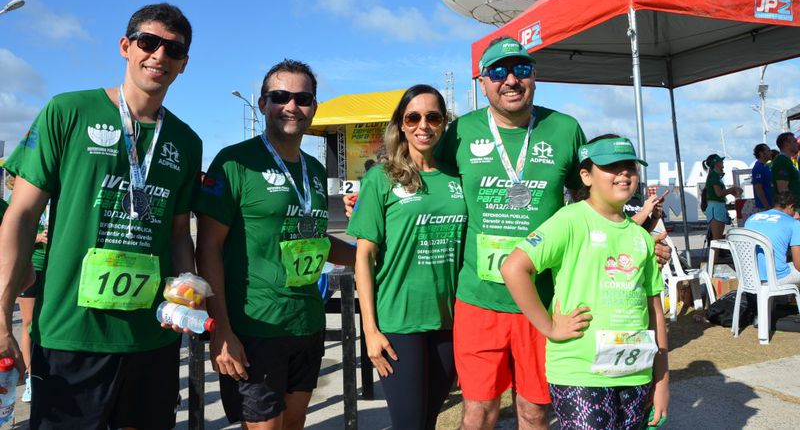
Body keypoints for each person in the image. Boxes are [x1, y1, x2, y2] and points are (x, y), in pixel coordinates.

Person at [342, 37, 670, 429]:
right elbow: (421, 171)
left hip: (542, 300)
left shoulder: (564, 129)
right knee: (478, 411)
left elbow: (593, 197)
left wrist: (633, 238)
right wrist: (370, 200)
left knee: (533, 412)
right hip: (478, 301)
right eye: (498, 72)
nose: (510, 80)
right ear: (483, 83)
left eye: (521, 70)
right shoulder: (460, 131)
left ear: (534, 77)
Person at [0, 3, 202, 429]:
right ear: (126, 46)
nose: (159, 55)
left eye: (173, 49)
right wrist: (1, 316)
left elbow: (179, 233)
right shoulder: (68, 111)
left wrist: (187, 289)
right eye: (149, 42)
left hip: (152, 337)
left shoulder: (186, 141)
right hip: (71, 334)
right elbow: (20, 215)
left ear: (184, 63)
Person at [194, 59, 355, 430]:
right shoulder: (235, 161)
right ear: (263, 103)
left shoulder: (314, 169)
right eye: (281, 96)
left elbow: (315, 239)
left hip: (307, 322)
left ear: (314, 107)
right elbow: (208, 248)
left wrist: (373, 252)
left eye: (303, 98)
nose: (292, 106)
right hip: (255, 327)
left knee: (295, 423)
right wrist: (221, 330)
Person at [501, 135, 669, 429]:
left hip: (636, 371)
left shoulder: (641, 236)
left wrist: (662, 380)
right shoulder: (570, 219)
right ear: (586, 176)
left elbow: (654, 309)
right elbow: (514, 268)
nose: (623, 173)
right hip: (581, 372)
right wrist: (549, 326)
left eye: (630, 166)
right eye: (611, 166)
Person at [347, 85, 466, 429]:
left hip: (449, 322)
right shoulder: (381, 178)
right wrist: (370, 330)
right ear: (401, 124)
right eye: (413, 117)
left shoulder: (457, 176)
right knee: (410, 424)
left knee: (427, 420)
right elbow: (363, 258)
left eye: (433, 117)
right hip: (399, 322)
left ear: (444, 123)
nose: (423, 125)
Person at [3, 172, 48, 403]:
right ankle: (30, 377)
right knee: (29, 322)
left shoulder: (53, 198)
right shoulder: (16, 200)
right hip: (31, 266)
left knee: (46, 321)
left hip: (52, 267)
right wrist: (38, 238)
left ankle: (43, 372)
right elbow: (12, 235)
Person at [744, 191, 800, 287]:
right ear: (791, 206)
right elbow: (798, 265)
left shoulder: (751, 218)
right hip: (777, 277)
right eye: (794, 209)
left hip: (750, 276)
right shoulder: (793, 223)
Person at [703, 153, 743, 249]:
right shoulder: (714, 175)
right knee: (717, 240)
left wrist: (731, 192)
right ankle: (714, 258)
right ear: (716, 163)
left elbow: (719, 192)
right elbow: (719, 193)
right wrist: (733, 189)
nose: (723, 162)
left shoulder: (715, 175)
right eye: (721, 161)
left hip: (718, 207)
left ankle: (715, 257)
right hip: (715, 208)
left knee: (718, 239)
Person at [771, 132, 800, 202]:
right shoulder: (781, 160)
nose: (797, 144)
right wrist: (791, 206)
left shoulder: (787, 160)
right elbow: (782, 188)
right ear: (787, 145)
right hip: (792, 206)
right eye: (795, 141)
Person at [752, 143, 773, 212]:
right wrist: (767, 206)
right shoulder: (758, 167)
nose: (771, 153)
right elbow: (758, 188)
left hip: (771, 205)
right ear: (761, 153)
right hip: (764, 207)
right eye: (768, 151)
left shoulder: (766, 166)